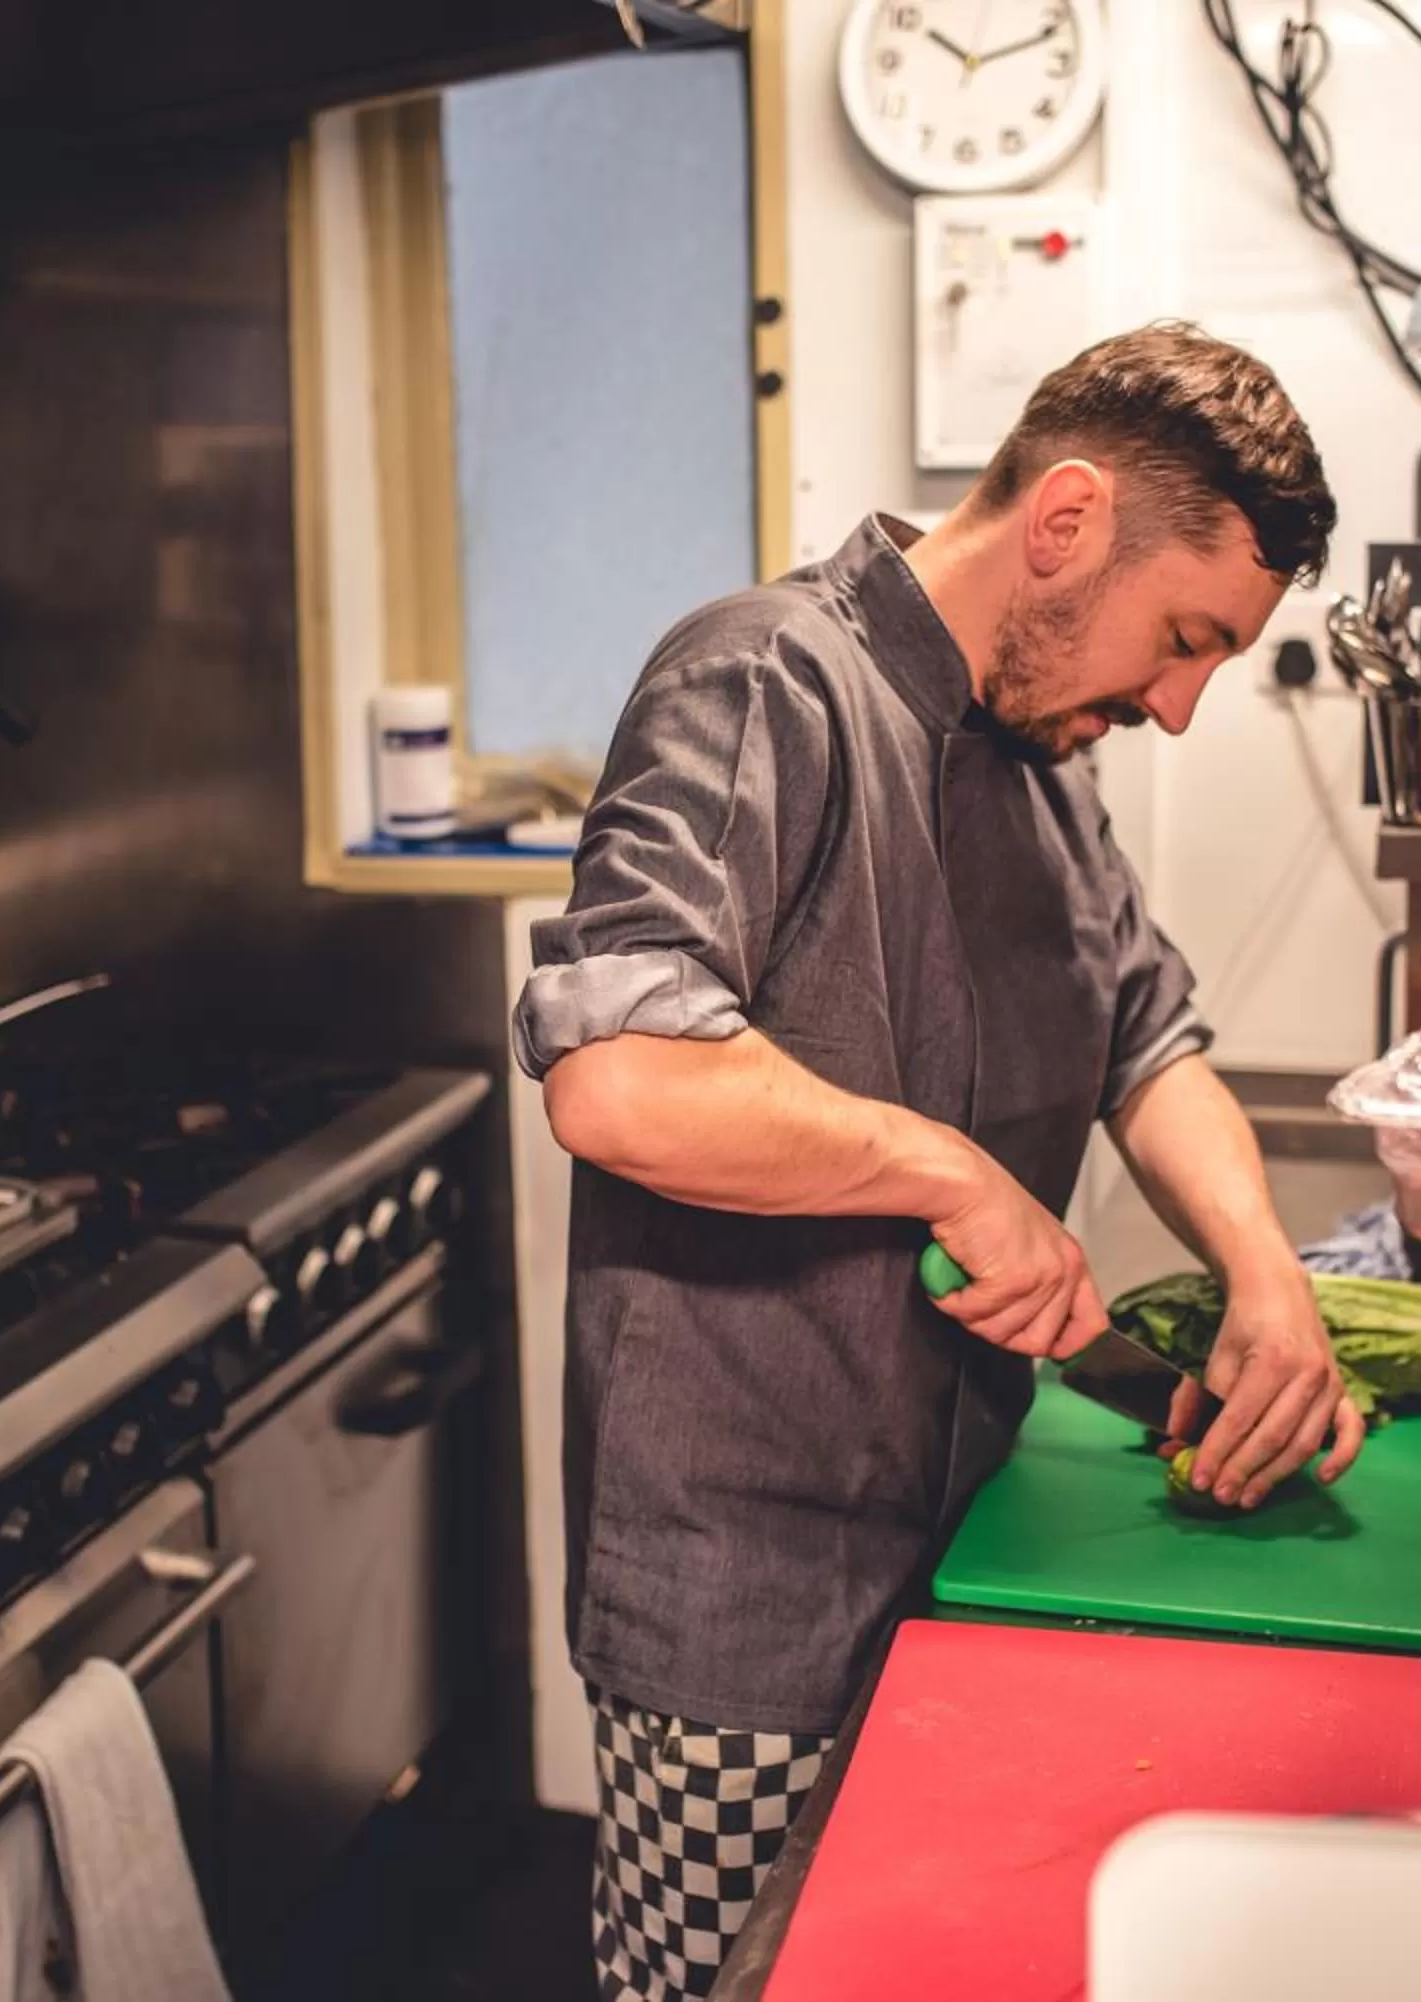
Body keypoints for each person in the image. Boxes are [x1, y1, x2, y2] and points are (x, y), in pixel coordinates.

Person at [511, 322, 1359, 2002]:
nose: (1180, 707)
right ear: (1063, 521)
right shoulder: (764, 677)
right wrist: (953, 1171)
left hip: (963, 1538)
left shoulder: (1045, 760)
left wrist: (1267, 1274)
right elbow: (618, 1078)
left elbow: (1153, 1039)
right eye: (1183, 639)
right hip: (746, 1601)